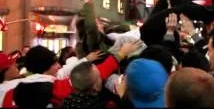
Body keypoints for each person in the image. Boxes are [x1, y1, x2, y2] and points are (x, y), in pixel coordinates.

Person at [0, 42, 140, 107]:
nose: (59, 66)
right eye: (55, 63)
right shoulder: (53, 89)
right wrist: (121, 53)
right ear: (45, 67)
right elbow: (92, 75)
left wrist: (86, 59)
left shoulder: (10, 92)